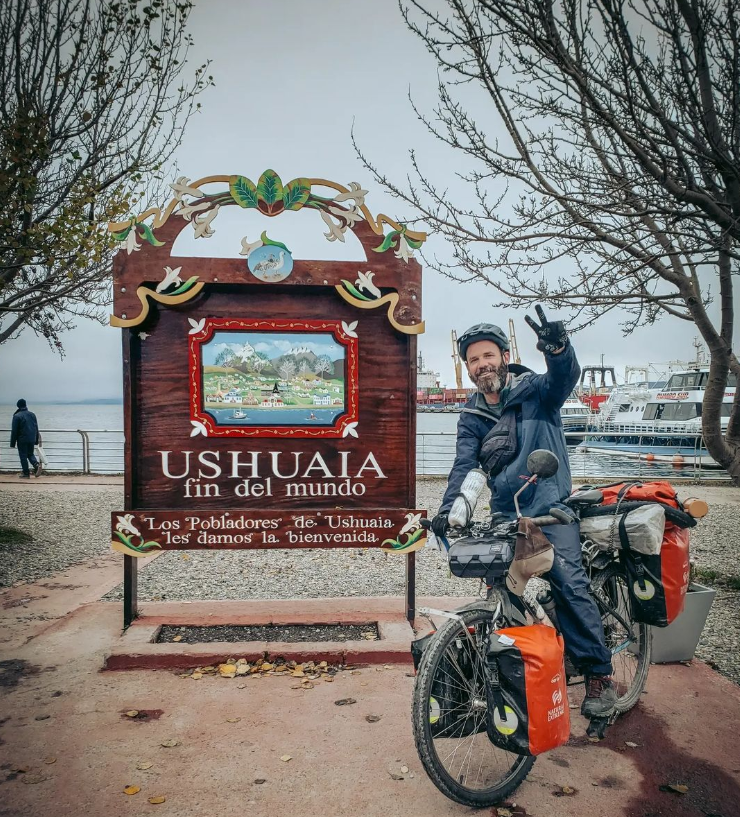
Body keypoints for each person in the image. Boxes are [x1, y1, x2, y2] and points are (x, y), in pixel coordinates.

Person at [431, 307, 616, 719]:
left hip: (552, 509)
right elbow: (465, 467)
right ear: (468, 368)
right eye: (473, 360)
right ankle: (515, 672)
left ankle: (599, 674)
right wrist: (448, 511)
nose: (482, 365)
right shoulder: (472, 414)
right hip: (506, 514)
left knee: (568, 582)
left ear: (504, 354)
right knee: (500, 591)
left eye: (487, 356)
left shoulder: (535, 390)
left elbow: (563, 378)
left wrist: (557, 348)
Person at [10, 399, 42, 478]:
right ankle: (36, 464)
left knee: (23, 456)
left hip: (22, 439)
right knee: (30, 454)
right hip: (32, 438)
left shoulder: (17, 416)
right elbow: (36, 428)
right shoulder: (32, 414)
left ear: (18, 406)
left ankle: (26, 473)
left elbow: (14, 431)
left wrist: (12, 443)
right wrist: (36, 439)